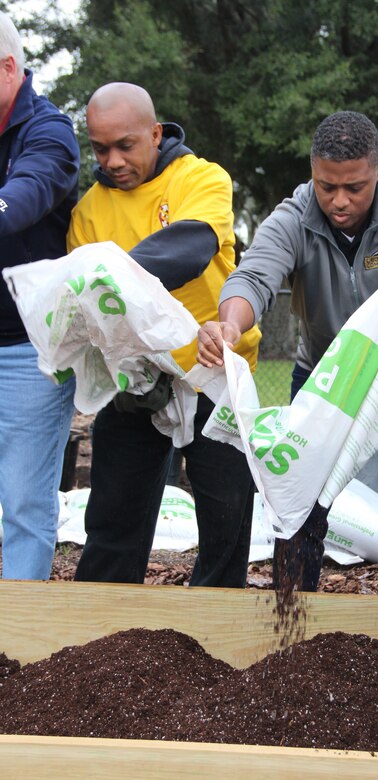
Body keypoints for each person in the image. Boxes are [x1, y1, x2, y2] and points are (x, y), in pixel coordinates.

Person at [197, 110, 378, 600]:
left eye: (353, 187)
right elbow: (253, 277)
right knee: (300, 514)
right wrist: (230, 321)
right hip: (324, 384)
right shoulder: (293, 218)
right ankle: (293, 631)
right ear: (313, 172)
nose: (338, 201)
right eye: (325, 185)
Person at [68, 82, 261, 587]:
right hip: (136, 381)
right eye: (100, 147)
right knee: (113, 523)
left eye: (125, 145)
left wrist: (109, 273)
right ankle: (99, 638)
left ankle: (214, 641)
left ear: (155, 133)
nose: (111, 160)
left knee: (226, 524)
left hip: (215, 375)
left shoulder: (201, 178)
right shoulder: (88, 210)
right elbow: (87, 309)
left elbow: (190, 247)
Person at [0, 12, 80, 579]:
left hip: (26, 352)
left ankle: (17, 650)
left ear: (7, 68)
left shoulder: (49, 133)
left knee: (25, 505)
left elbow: (20, 202)